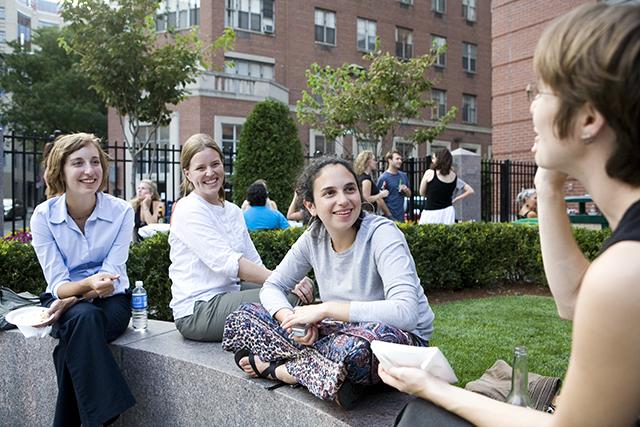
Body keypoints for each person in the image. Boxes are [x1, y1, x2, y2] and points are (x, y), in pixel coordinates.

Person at [380, 4, 640, 426]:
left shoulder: (627, 270)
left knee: (422, 415)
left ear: (589, 118)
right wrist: (547, 184)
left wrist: (434, 388)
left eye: (541, 92)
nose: (532, 105)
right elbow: (574, 301)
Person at [222, 158, 435, 409]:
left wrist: (326, 309)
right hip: (336, 333)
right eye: (329, 193)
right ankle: (330, 375)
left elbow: (406, 313)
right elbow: (272, 286)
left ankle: (279, 370)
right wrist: (291, 321)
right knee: (245, 316)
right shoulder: (313, 237)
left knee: (356, 348)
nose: (343, 200)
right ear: (311, 205)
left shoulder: (382, 233)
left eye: (349, 189)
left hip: (395, 339)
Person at [30, 133, 136, 427]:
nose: (89, 171)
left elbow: (112, 276)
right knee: (83, 319)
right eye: (78, 163)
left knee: (75, 334)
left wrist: (84, 291)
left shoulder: (121, 212)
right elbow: (58, 283)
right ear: (60, 171)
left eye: (94, 162)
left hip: (112, 302)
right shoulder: (43, 217)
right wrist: (86, 287)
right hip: (65, 301)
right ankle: (102, 417)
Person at [168, 134, 313, 342]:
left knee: (303, 288)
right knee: (289, 296)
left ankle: (300, 347)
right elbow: (230, 264)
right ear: (187, 173)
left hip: (229, 293)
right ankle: (289, 354)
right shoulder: (188, 209)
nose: (210, 173)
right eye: (200, 168)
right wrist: (286, 281)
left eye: (215, 164)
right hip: (198, 309)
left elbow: (253, 261)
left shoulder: (233, 211)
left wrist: (287, 281)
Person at [418, 149, 475, 225]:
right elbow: (470, 190)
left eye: (434, 158)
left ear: (439, 159)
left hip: (431, 212)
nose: (432, 160)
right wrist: (456, 199)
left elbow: (421, 192)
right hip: (448, 211)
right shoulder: (453, 175)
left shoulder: (429, 173)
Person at [353, 150, 391, 216]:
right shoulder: (366, 179)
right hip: (368, 214)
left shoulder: (360, 176)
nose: (376, 162)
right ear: (368, 162)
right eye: (373, 160)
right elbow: (367, 199)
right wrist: (381, 195)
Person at [377, 150, 412, 222]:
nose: (400, 161)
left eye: (401, 159)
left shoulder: (403, 176)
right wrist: (389, 215)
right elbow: (379, 198)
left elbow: (409, 195)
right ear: (389, 160)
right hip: (387, 218)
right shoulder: (384, 177)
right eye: (397, 159)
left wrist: (406, 190)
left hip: (401, 216)